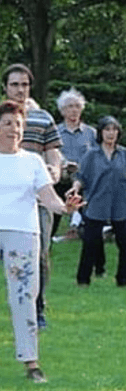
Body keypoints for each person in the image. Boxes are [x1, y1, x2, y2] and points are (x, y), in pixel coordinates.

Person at [0, 100, 82, 382]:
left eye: (19, 125)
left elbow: (48, 197)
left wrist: (65, 208)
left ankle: (31, 362)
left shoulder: (33, 161)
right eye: (8, 124)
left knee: (24, 296)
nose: (14, 130)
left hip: (23, 232)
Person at [5, 64, 62, 328]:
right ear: (5, 86)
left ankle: (37, 310)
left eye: (24, 85)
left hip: (37, 197)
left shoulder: (42, 117)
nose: (20, 89)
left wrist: (56, 169)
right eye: (15, 84)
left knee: (38, 255)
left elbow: (53, 151)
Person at [70, 116, 126, 287]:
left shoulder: (125, 154)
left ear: (118, 133)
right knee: (90, 243)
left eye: (114, 130)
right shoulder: (91, 154)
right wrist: (75, 189)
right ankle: (83, 280)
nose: (111, 133)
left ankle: (124, 280)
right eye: (107, 129)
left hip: (121, 205)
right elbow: (81, 177)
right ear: (101, 132)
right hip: (97, 204)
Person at [53, 87, 95, 238]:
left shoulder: (91, 133)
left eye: (77, 106)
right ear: (62, 111)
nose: (74, 110)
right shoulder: (54, 131)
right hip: (60, 183)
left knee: (92, 227)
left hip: (85, 184)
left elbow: (97, 158)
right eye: (70, 106)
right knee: (51, 225)